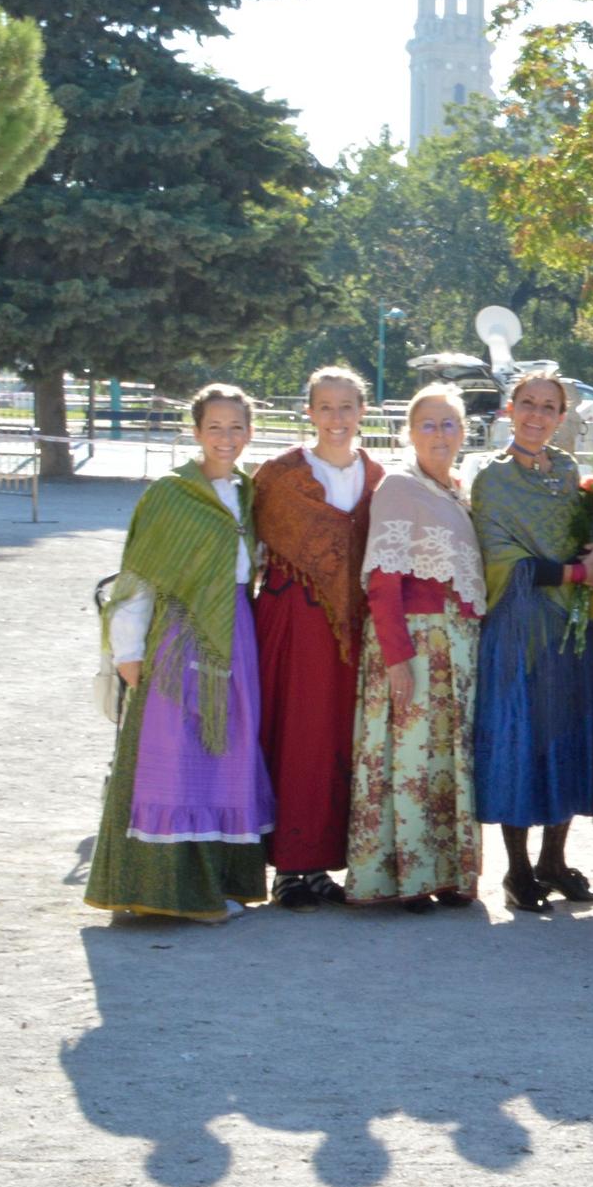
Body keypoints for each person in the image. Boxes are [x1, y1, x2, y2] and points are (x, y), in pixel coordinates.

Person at [87, 385, 275, 921]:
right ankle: (162, 890)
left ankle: (216, 884)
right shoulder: (171, 494)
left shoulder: (247, 491)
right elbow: (139, 576)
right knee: (173, 759)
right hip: (176, 639)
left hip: (235, 635)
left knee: (226, 759)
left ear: (249, 432)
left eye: (236, 427)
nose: (226, 437)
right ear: (195, 433)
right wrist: (128, 650)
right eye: (214, 427)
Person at [471, 368, 593, 913]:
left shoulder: (571, 470)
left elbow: (584, 537)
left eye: (548, 407)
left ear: (561, 416)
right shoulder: (492, 478)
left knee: (566, 734)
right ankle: (518, 869)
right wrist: (577, 575)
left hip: (571, 627)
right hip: (519, 622)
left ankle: (556, 860)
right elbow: (501, 557)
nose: (537, 415)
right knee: (520, 736)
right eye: (527, 404)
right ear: (511, 410)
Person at [342, 384, 486, 910]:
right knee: (410, 762)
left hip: (458, 648)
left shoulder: (456, 490)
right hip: (416, 642)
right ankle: (406, 876)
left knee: (447, 763)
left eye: (449, 423)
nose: (439, 434)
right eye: (427, 423)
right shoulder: (399, 488)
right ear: (409, 432)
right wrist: (399, 660)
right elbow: (382, 581)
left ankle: (448, 874)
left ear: (464, 432)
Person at [251, 367, 384, 910]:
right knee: (293, 737)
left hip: (352, 629)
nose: (336, 418)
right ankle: (289, 864)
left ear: (362, 412)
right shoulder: (280, 477)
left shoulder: (378, 479)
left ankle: (324, 861)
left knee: (339, 741)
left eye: (346, 407)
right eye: (325, 407)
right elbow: (249, 553)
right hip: (292, 621)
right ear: (308, 412)